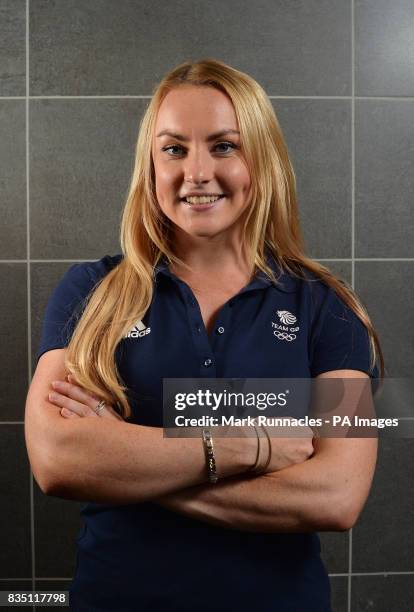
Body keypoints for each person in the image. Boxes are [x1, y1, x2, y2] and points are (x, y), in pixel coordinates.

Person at [25, 58, 384, 612]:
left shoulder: (327, 307)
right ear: (150, 164)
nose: (196, 171)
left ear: (261, 160)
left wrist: (126, 464)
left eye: (223, 146)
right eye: (174, 149)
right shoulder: (90, 291)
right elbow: (57, 460)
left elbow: (337, 495)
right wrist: (249, 445)